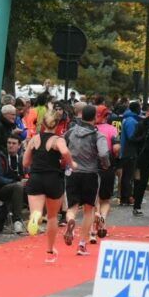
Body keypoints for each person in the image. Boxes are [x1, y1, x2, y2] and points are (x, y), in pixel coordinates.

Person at [23, 113, 73, 263]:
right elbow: (64, 152)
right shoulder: (58, 140)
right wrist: (70, 162)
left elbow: (25, 163)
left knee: (36, 211)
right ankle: (50, 248)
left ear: (42, 125)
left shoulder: (34, 139)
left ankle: (35, 217)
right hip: (53, 179)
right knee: (52, 217)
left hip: (36, 178)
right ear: (57, 125)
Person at [63, 105, 110, 255]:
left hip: (73, 172)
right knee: (89, 210)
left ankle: (70, 220)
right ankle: (82, 244)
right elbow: (103, 153)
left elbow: (63, 148)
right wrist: (105, 164)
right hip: (90, 173)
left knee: (72, 207)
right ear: (95, 118)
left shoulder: (70, 132)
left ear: (81, 116)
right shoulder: (98, 135)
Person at [0, 135, 26, 234]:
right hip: (2, 190)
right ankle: (17, 221)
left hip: (18, 187)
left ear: (19, 146)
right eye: (9, 143)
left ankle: (37, 219)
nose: (10, 145)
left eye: (14, 143)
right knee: (18, 186)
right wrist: (14, 182)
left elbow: (25, 174)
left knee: (38, 186)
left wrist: (27, 180)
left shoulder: (20, 159)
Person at [94, 106, 119, 239]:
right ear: (106, 116)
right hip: (107, 165)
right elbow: (116, 148)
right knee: (105, 199)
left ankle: (93, 229)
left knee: (94, 198)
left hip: (92, 164)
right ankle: (103, 218)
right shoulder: (112, 129)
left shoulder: (91, 129)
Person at [118, 101, 142, 205]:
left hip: (127, 151)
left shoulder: (127, 119)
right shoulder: (131, 121)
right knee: (128, 176)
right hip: (129, 152)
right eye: (139, 108)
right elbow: (132, 137)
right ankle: (126, 198)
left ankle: (126, 198)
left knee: (126, 176)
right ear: (136, 109)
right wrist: (143, 137)